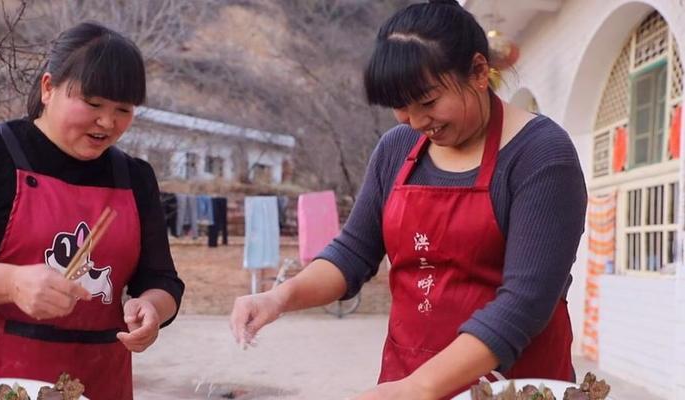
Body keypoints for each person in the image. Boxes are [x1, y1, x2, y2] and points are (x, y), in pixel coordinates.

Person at [230, 1, 587, 399]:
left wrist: (420, 387)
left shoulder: (540, 155)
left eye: (429, 102)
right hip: (407, 378)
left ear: (480, 72)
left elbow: (525, 303)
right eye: (401, 106)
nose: (417, 122)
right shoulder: (396, 149)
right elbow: (352, 253)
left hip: (512, 385)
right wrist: (279, 298)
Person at [0, 22, 184, 400]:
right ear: (48, 88)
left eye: (123, 109)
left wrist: (151, 309)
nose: (108, 122)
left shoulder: (134, 178)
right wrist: (12, 283)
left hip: (95, 381)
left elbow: (162, 280)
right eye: (93, 103)